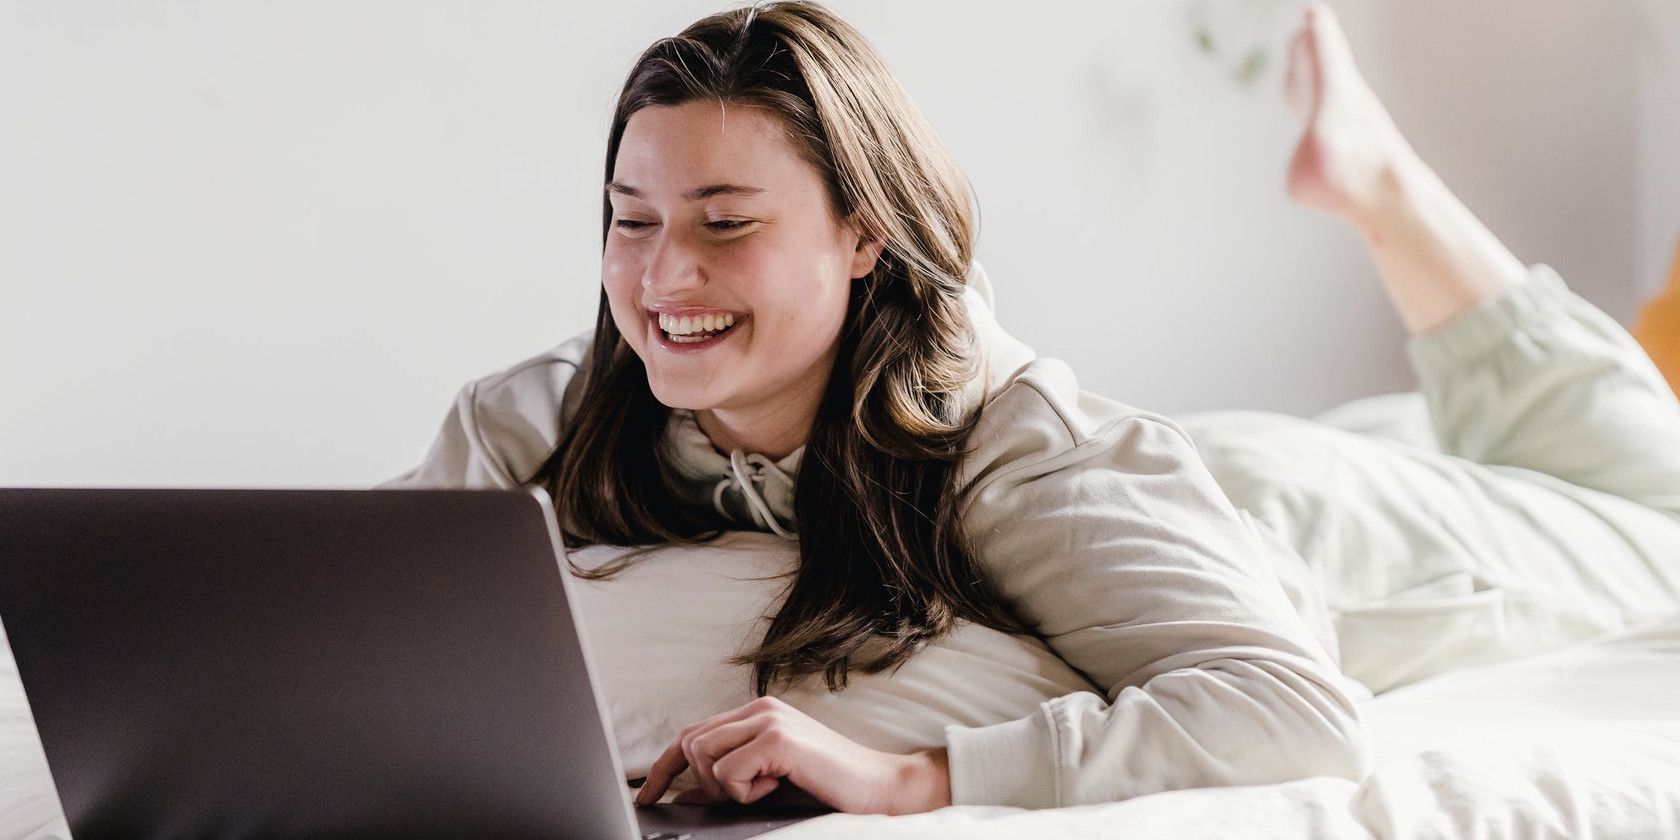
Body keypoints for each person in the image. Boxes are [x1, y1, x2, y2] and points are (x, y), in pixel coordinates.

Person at [383, 0, 1680, 816]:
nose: (665, 277)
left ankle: (1384, 185)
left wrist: (913, 777)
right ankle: (1377, 188)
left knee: (1656, 513)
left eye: (727, 225)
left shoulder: (1011, 455)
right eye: (632, 221)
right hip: (1228, 464)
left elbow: (1297, 708)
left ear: (862, 236)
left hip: (1313, 524)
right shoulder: (536, 424)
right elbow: (328, 621)